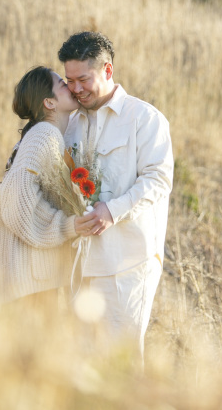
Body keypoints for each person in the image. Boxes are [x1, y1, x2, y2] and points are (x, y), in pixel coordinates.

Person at [59, 31, 174, 362]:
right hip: (81, 264)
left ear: (107, 70)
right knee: (82, 366)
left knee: (119, 364)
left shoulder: (145, 119)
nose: (76, 88)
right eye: (69, 81)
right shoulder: (72, 124)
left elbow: (158, 179)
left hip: (128, 262)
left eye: (83, 79)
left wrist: (114, 210)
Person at [0, 66, 97, 309]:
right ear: (49, 103)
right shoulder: (45, 135)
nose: (71, 87)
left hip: (23, 281)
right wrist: (68, 225)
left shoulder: (40, 136)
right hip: (24, 284)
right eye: (63, 85)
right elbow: (18, 207)